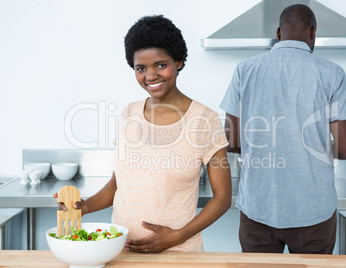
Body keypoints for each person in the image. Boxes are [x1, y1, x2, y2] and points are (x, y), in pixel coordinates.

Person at [55, 15, 231, 253]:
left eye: (160, 65)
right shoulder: (129, 114)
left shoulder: (205, 120)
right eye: (141, 68)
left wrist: (176, 237)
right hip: (120, 251)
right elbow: (119, 184)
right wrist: (84, 207)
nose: (150, 76)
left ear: (178, 62)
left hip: (179, 256)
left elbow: (222, 198)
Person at [220, 4, 346, 254]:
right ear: (313, 31)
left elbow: (232, 141)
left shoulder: (245, 70)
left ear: (279, 33)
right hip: (314, 212)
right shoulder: (332, 73)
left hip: (258, 210)